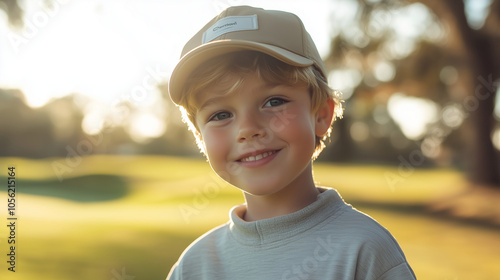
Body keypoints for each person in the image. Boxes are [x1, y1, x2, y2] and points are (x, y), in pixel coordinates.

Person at [166, 5, 416, 280]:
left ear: (321, 114)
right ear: (200, 137)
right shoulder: (193, 266)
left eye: (274, 102)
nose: (248, 129)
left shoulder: (364, 249)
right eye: (221, 115)